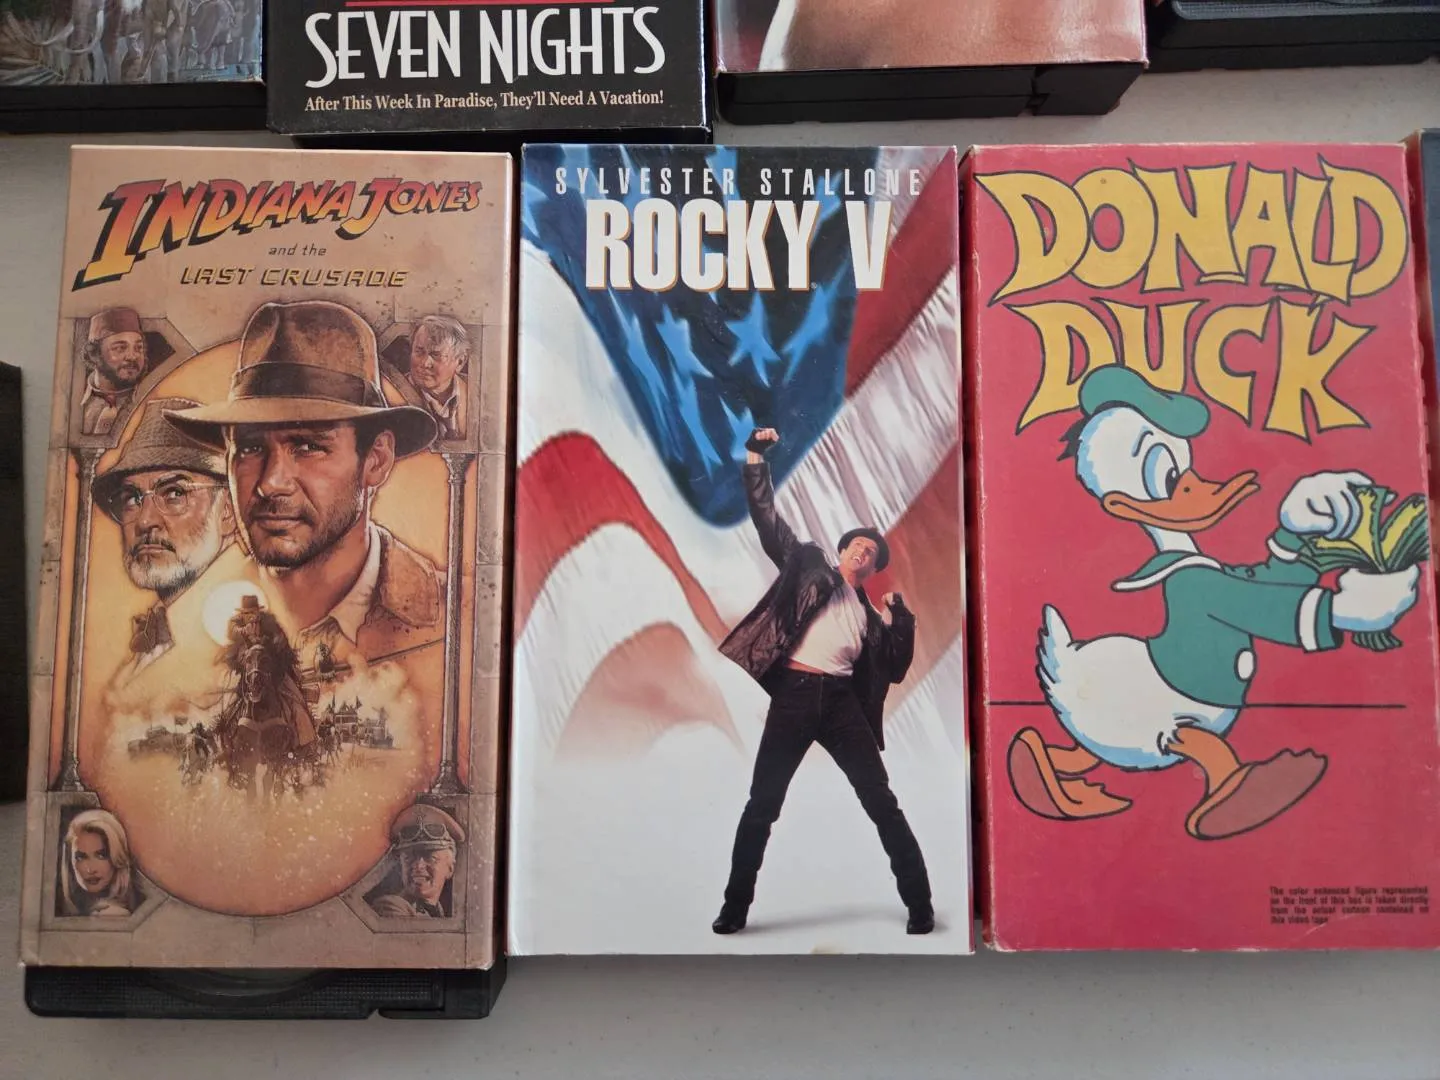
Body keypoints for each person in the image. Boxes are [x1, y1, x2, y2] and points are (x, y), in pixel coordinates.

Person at [712, 427, 934, 936]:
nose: (862, 552)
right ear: (843, 550)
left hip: (840, 705)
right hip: (793, 695)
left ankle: (920, 905)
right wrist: (756, 457)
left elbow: (897, 667)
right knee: (762, 805)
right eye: (857, 545)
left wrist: (901, 617)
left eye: (870, 552)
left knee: (881, 802)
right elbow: (770, 524)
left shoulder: (870, 617)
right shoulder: (808, 565)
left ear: (874, 567)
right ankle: (734, 909)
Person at [166, 300, 443, 669]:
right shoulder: (177, 644)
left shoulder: (459, 617)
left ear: (376, 460)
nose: (270, 483)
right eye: (249, 448)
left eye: (308, 446)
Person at [93, 396, 235, 679]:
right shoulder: (154, 636)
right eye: (131, 498)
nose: (145, 521)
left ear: (228, 512)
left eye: (174, 494)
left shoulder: (241, 636)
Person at [368, 803, 465, 918]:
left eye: (431, 858)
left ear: (450, 869)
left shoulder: (437, 912)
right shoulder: (390, 907)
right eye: (409, 857)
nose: (419, 865)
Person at [59, 808, 141, 917]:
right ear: (70, 861)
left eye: (101, 856)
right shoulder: (77, 910)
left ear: (116, 857)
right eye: (81, 857)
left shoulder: (114, 914)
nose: (91, 869)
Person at [80, 307, 149, 435]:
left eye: (138, 348)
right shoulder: (74, 400)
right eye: (120, 348)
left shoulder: (152, 402)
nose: (132, 356)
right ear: (94, 354)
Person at [406, 314, 471, 441]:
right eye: (419, 352)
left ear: (460, 361)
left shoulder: (478, 396)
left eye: (436, 355)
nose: (425, 363)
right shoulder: (393, 395)